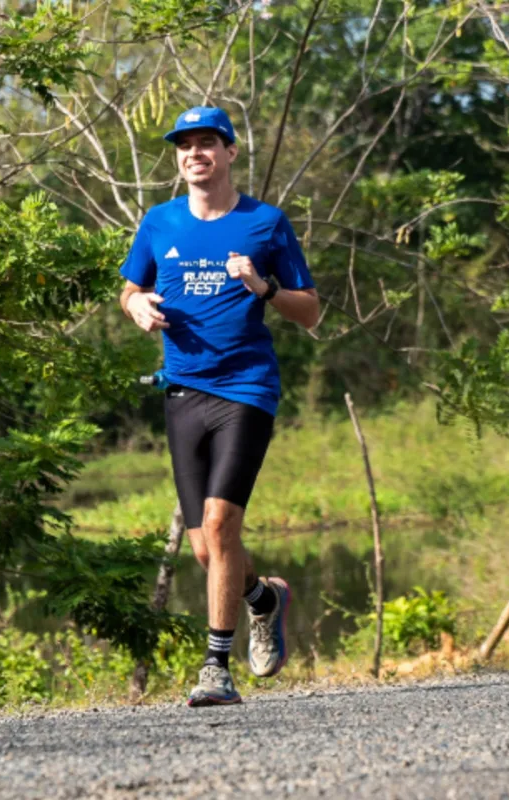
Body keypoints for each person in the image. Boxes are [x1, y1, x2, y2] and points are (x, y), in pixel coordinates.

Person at [119, 106, 319, 706]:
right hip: (182, 392)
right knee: (206, 547)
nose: (195, 154)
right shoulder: (159, 222)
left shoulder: (265, 224)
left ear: (230, 153)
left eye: (208, 143)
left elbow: (310, 313)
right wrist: (136, 308)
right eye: (186, 146)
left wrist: (266, 288)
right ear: (178, 159)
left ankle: (216, 669)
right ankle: (264, 598)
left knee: (219, 524)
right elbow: (131, 287)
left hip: (246, 389)